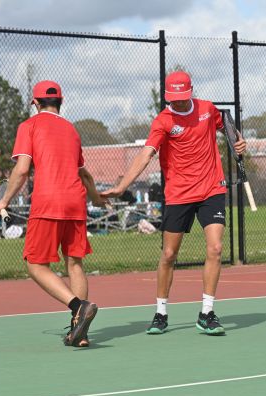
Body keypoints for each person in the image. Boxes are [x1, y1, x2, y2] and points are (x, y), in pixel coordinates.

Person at [102, 71, 246, 336]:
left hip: (212, 188)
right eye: (173, 97)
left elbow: (226, 125)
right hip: (179, 194)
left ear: (191, 91)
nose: (178, 101)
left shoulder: (206, 109)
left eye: (182, 96)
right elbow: (146, 155)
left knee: (215, 248)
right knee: (169, 255)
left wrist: (238, 140)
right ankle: (161, 313)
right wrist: (122, 187)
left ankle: (207, 313)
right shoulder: (163, 121)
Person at [0, 80, 107, 347]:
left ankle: (78, 307)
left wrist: (4, 201)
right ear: (61, 102)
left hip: (48, 202)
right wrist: (96, 198)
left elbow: (22, 169)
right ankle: (80, 332)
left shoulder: (29, 126)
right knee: (75, 264)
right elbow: (84, 174)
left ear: (35, 103)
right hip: (75, 202)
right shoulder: (71, 130)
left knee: (35, 265)